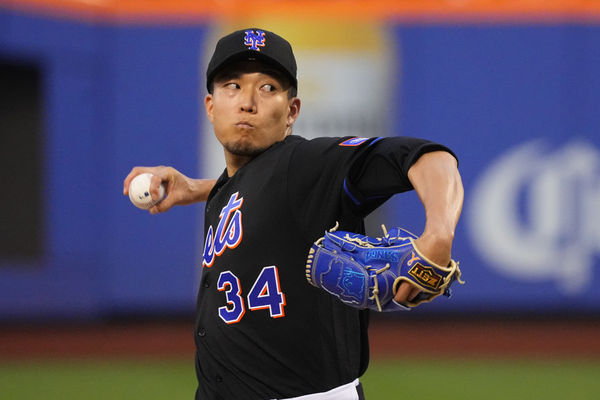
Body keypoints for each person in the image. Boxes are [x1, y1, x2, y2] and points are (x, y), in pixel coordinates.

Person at [123, 28, 463, 400]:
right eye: (232, 85)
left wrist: (438, 234)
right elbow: (257, 192)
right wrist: (197, 188)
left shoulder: (305, 164)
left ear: (292, 112)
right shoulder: (230, 190)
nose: (247, 102)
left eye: (268, 87)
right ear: (210, 105)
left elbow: (429, 157)